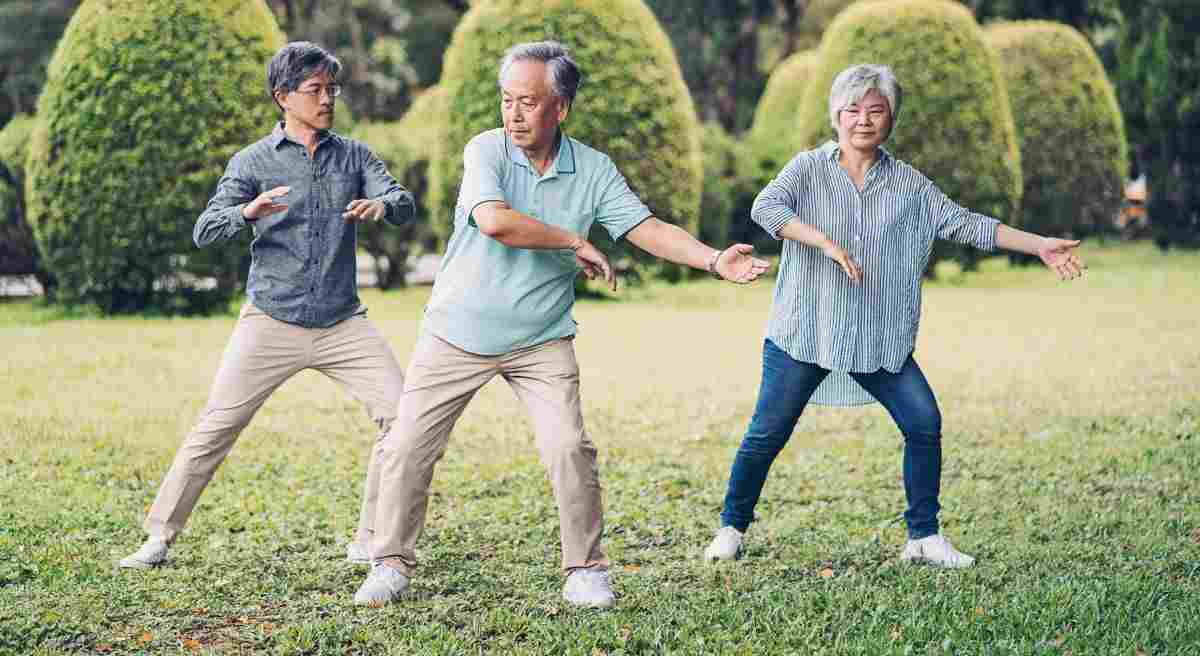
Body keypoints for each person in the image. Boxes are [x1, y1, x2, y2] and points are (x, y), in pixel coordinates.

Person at [352, 40, 770, 608]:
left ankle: (586, 569)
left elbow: (645, 226)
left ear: (561, 108)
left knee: (570, 446)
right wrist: (573, 239)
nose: (514, 113)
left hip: (540, 338)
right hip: (457, 331)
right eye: (507, 100)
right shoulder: (487, 151)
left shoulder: (592, 169)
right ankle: (390, 562)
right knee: (406, 447)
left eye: (528, 102)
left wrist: (712, 259)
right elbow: (494, 222)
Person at [703, 63, 1085, 568]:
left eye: (876, 110)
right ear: (836, 116)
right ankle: (732, 526)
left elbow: (967, 224)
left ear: (890, 120)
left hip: (876, 337)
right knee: (767, 432)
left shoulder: (908, 185)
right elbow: (765, 208)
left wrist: (1039, 246)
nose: (863, 120)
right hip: (806, 328)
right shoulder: (807, 169)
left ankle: (923, 537)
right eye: (853, 110)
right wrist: (825, 242)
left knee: (923, 421)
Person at [120, 42, 415, 569]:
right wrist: (248, 211)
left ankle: (372, 537)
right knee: (216, 426)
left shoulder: (355, 155)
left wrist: (382, 205)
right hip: (270, 320)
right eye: (315, 90)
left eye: (332, 90)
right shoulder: (252, 161)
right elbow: (205, 229)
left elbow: (402, 201)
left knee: (403, 417)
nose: (327, 100)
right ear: (283, 96)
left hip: (342, 321)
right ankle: (158, 537)